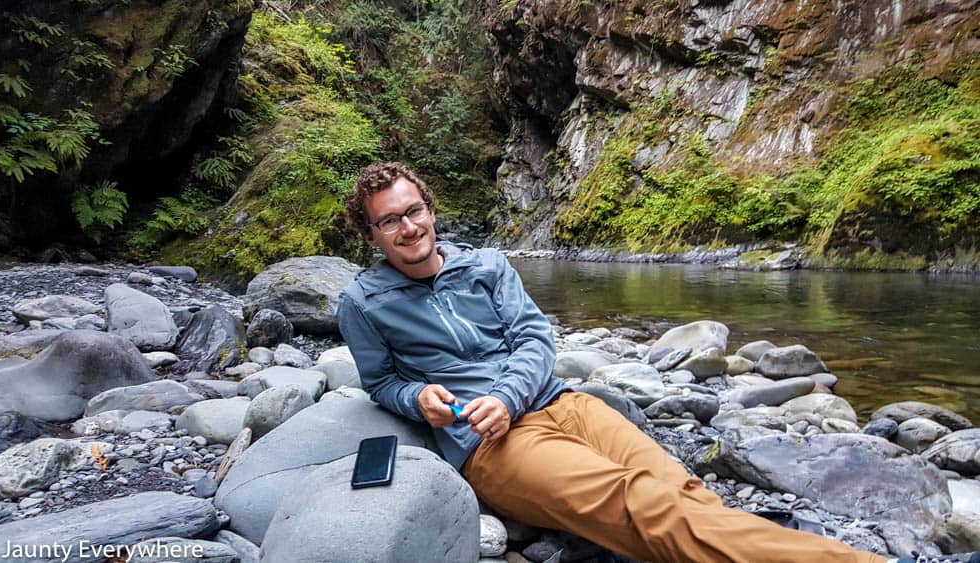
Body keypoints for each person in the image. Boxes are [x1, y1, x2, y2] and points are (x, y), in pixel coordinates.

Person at [335, 161, 972, 563]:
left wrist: (507, 392)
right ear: (371, 236)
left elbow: (535, 341)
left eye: (414, 211)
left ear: (430, 209)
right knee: (639, 503)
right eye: (389, 222)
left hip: (563, 404)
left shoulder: (489, 266)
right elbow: (382, 382)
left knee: (682, 488)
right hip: (488, 444)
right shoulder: (362, 302)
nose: (409, 228)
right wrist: (416, 399)